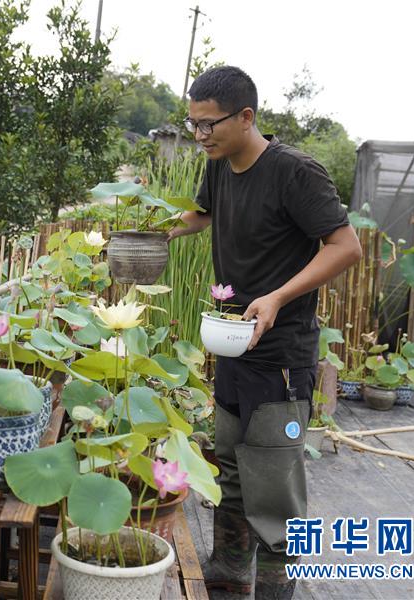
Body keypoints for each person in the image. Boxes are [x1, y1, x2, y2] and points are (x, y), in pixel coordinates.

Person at [168, 66, 362, 599]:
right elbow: (200, 216)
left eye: (209, 125)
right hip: (233, 343)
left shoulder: (295, 173)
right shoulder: (219, 165)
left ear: (247, 116)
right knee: (229, 469)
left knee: (272, 485)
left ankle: (276, 592)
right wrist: (149, 229)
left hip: (280, 353)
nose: (201, 136)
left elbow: (346, 247)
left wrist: (277, 296)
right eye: (194, 126)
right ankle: (229, 577)